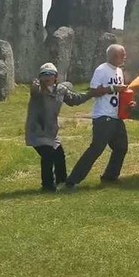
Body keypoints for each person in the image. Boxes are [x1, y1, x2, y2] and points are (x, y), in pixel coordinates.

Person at [65, 44, 135, 188]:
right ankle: (72, 181)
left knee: (121, 147)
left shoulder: (119, 72)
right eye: (123, 55)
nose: (125, 57)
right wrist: (112, 88)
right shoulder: (101, 70)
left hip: (116, 117)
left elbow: (118, 94)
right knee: (96, 149)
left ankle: (110, 177)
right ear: (114, 56)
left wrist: (129, 103)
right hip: (103, 117)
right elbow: (93, 91)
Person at [24, 63, 92, 192]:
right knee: (47, 156)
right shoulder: (38, 91)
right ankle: (47, 186)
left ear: (56, 77)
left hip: (51, 132)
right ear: (40, 77)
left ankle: (62, 181)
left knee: (59, 155)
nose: (47, 77)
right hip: (37, 131)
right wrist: (34, 86)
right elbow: (34, 90)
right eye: (44, 74)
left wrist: (92, 93)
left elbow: (74, 99)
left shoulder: (61, 90)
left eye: (50, 74)